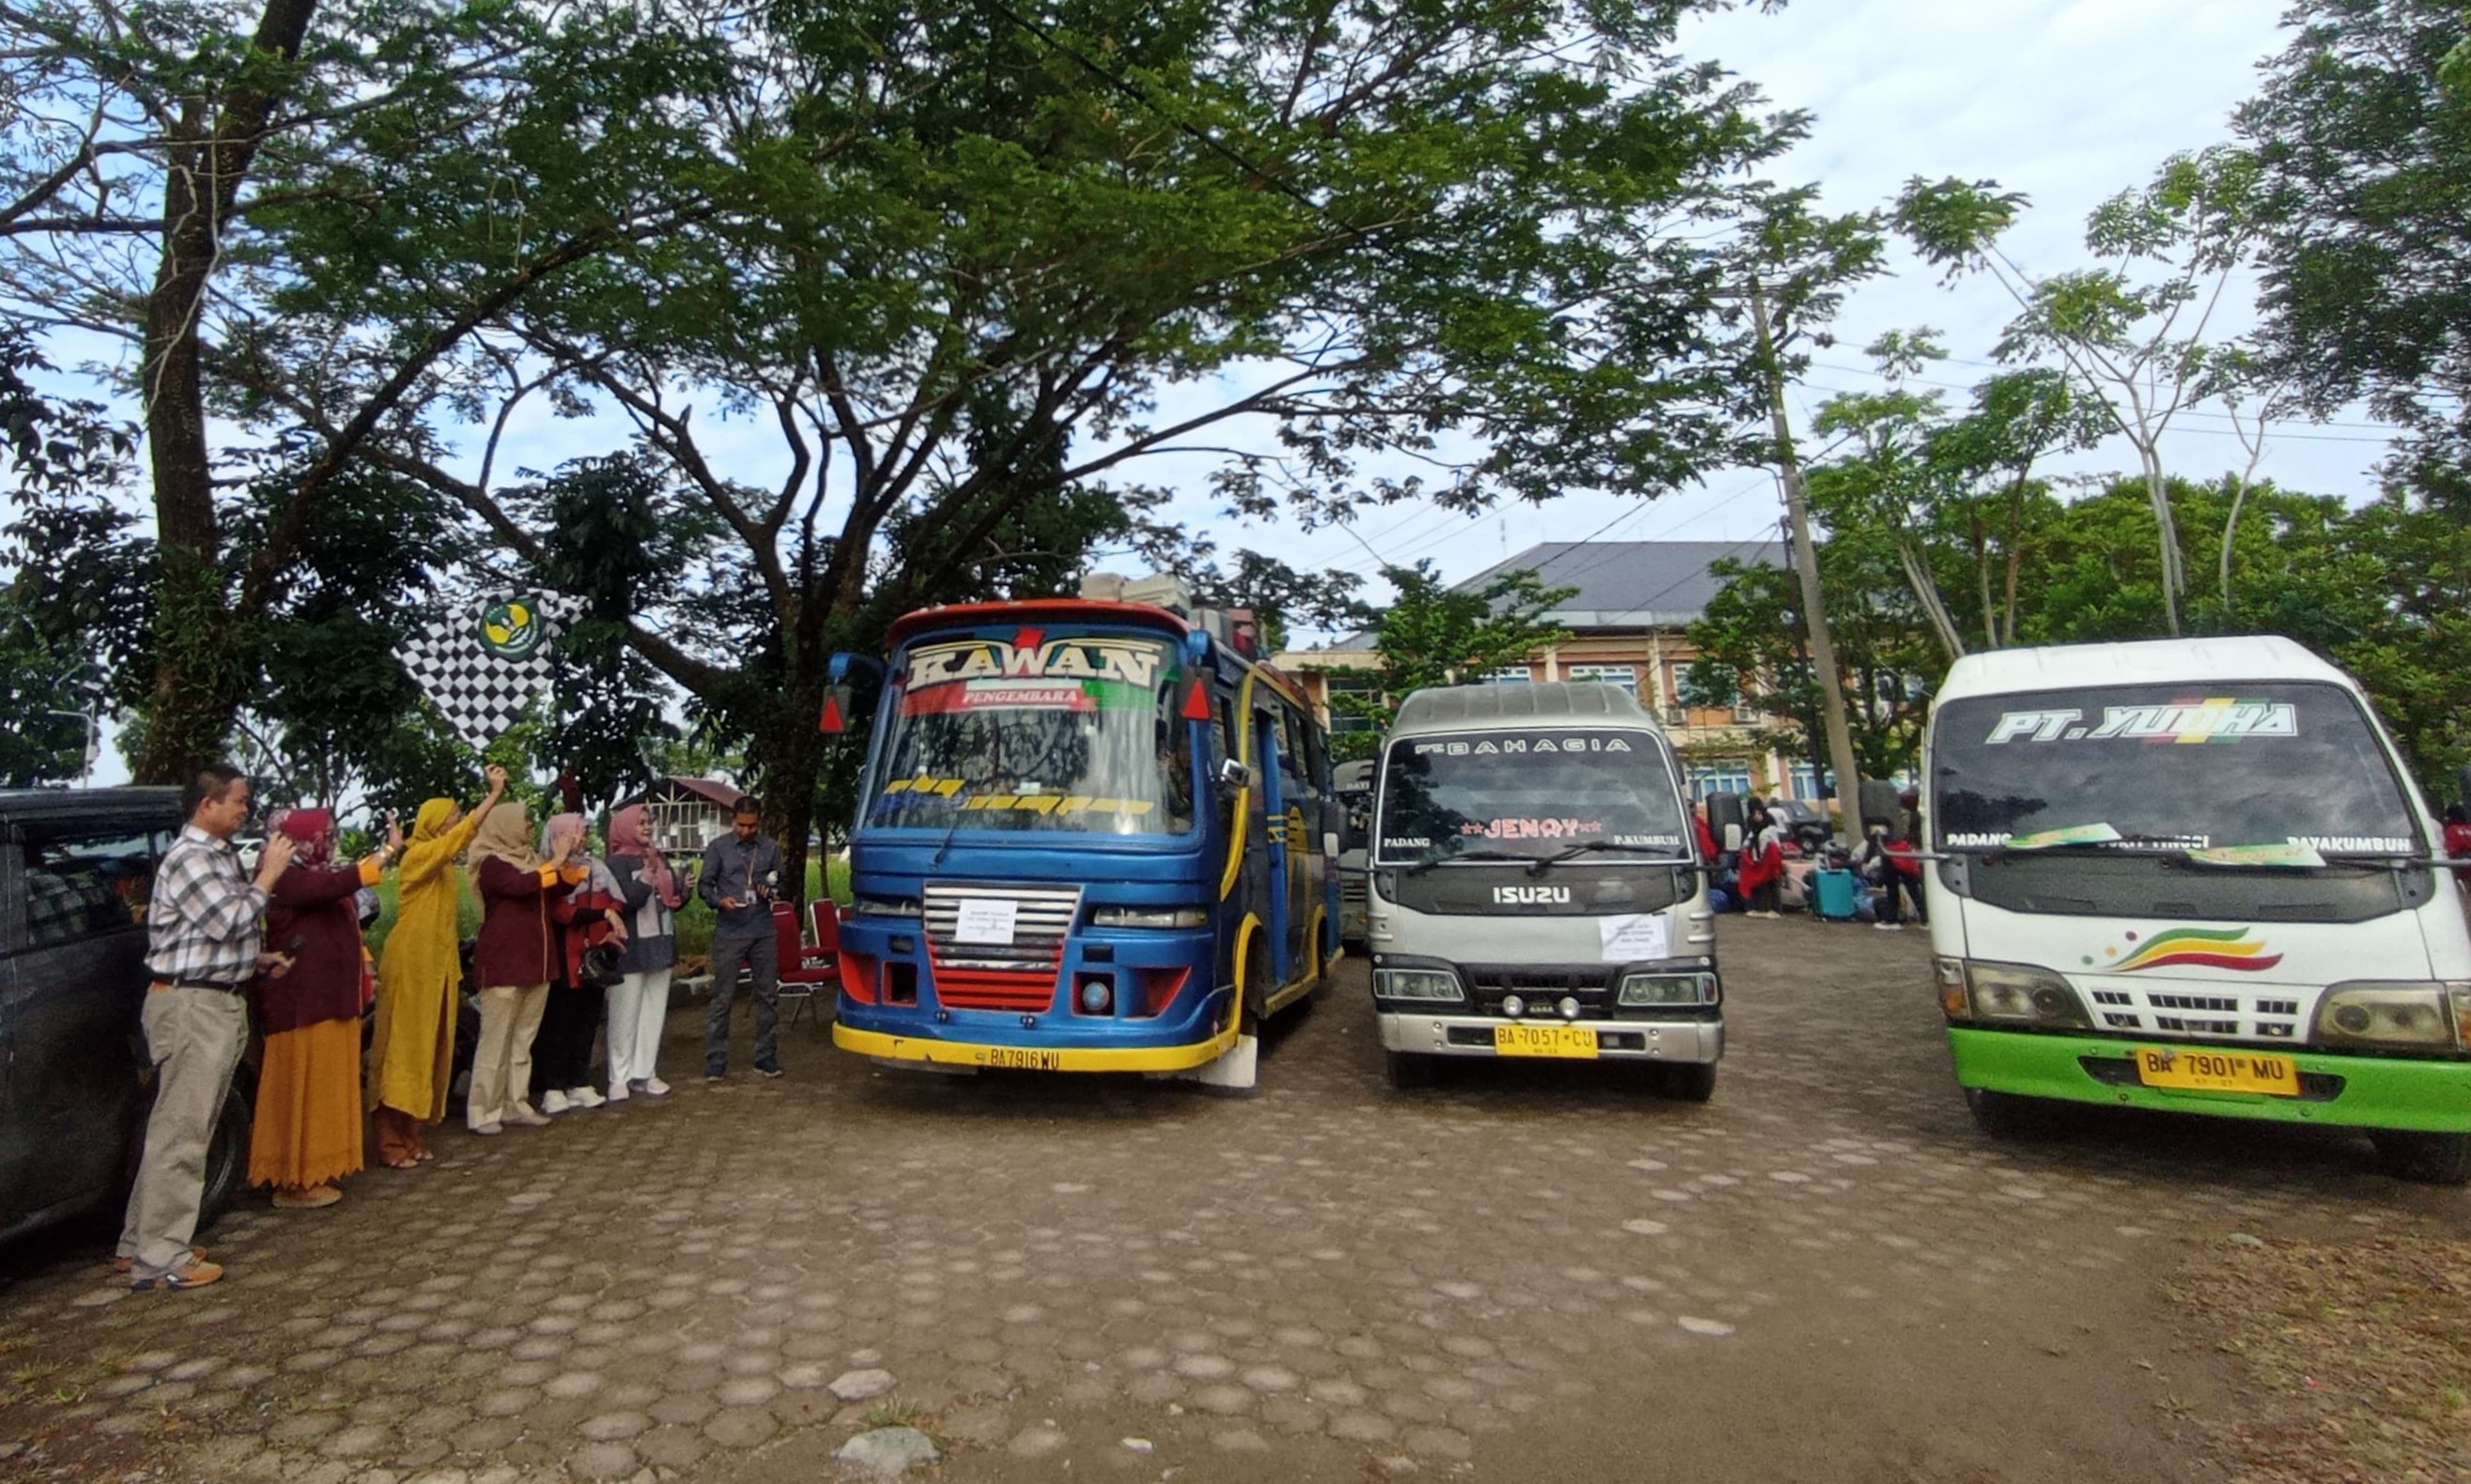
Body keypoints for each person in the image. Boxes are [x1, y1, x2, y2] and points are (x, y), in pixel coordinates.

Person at [119, 765, 297, 1291]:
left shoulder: (213, 856)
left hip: (211, 998)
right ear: (207, 805)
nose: (245, 809)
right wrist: (269, 874)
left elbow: (210, 935)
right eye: (238, 801)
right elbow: (226, 920)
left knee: (180, 1127)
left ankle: (139, 1243)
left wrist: (254, 959)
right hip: (193, 1008)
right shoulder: (193, 857)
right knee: (182, 1134)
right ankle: (161, 1259)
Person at [250, 809, 396, 1209]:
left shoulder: (313, 873)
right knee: (304, 1089)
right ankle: (296, 1180)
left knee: (326, 1088)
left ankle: (317, 1170)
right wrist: (386, 851)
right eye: (323, 834)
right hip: (301, 1004)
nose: (329, 841)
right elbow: (331, 886)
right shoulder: (285, 875)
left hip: (327, 1001)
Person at [366, 767, 508, 1168]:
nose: (456, 821)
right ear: (432, 823)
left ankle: (412, 1134)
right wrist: (493, 794)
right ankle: (389, 1140)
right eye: (450, 816)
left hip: (438, 969)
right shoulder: (419, 855)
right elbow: (461, 835)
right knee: (404, 1049)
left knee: (431, 1050)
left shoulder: (443, 864)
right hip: (412, 965)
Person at [468, 799, 580, 1134]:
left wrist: (567, 861)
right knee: (495, 1041)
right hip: (504, 964)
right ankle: (482, 1110)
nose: (530, 827)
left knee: (522, 1040)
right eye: (525, 821)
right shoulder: (491, 864)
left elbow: (555, 887)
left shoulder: (531, 861)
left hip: (537, 963)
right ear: (506, 825)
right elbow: (520, 886)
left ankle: (514, 1103)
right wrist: (556, 861)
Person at [532, 812, 625, 1113]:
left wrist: (609, 921)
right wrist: (602, 915)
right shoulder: (547, 869)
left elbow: (616, 900)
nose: (581, 839)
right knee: (559, 1022)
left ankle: (580, 1081)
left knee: (588, 1019)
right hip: (565, 955)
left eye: (584, 833)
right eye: (575, 833)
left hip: (595, 954)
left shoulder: (596, 867)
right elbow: (562, 913)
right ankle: (553, 1086)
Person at [701, 796, 785, 1081]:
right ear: (733, 820)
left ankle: (766, 1057)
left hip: (763, 929)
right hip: (730, 930)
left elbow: (782, 883)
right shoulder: (718, 848)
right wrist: (718, 900)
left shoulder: (771, 848)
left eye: (752, 826)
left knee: (768, 996)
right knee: (722, 998)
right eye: (741, 825)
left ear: (759, 821)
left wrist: (772, 892)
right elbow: (704, 885)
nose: (747, 831)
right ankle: (716, 1061)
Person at [606, 804, 681, 1101]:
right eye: (639, 823)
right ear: (624, 827)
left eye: (649, 822)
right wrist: (649, 871)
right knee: (625, 1014)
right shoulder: (617, 864)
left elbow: (670, 899)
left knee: (653, 1012)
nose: (647, 828)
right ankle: (618, 1076)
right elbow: (627, 902)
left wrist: (680, 889)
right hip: (632, 948)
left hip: (661, 943)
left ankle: (645, 1072)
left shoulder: (658, 856)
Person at [1739, 801, 1786, 919]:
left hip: (1769, 861)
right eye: (1754, 814)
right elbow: (1747, 842)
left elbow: (1775, 845)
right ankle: (1760, 907)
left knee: (1772, 884)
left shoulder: (1770, 828)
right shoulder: (1752, 829)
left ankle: (1775, 909)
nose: (1756, 816)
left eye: (1759, 813)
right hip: (1757, 860)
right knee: (1760, 885)